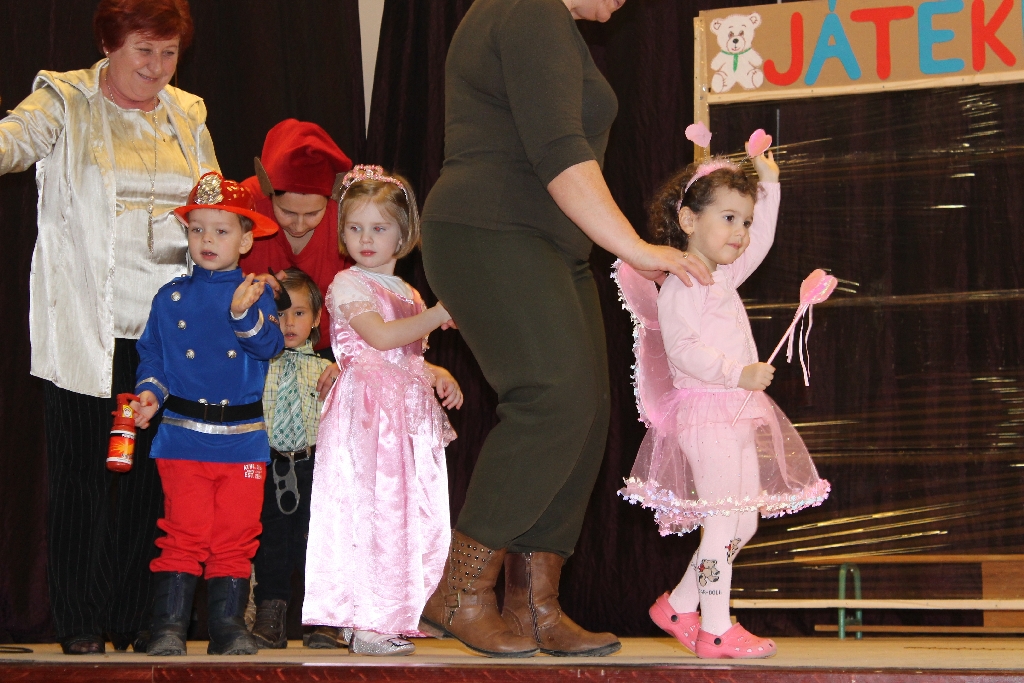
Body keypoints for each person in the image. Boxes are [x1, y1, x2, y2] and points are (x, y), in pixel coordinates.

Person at [419, 0, 711, 658]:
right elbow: (559, 154)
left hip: (548, 244)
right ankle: (460, 591)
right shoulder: (527, 9)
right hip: (493, 229)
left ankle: (534, 605)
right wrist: (637, 248)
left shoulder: (543, 19)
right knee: (553, 399)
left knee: (586, 409)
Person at [0, 0, 216, 655]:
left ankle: (136, 617)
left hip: (167, 333)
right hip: (86, 328)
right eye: (143, 50)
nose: (157, 66)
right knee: (82, 479)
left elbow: (212, 204)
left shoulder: (188, 114)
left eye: (169, 53)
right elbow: (13, 143)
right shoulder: (64, 100)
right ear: (109, 46)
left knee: (151, 480)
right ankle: (80, 622)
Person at [617, 146, 830, 659]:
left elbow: (764, 243)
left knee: (744, 520)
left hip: (734, 411)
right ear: (689, 221)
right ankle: (714, 628)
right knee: (721, 519)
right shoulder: (682, 283)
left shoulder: (723, 275)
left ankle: (679, 604)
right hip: (706, 413)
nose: (741, 232)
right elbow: (683, 350)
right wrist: (739, 373)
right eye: (729, 218)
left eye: (745, 221)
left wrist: (769, 184)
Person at [303, 165, 463, 656]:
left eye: (378, 228)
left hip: (403, 416)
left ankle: (396, 612)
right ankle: (364, 620)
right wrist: (439, 313)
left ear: (403, 233)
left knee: (404, 513)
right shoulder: (348, 284)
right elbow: (379, 337)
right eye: (355, 228)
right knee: (368, 509)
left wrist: (435, 371)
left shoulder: (407, 293)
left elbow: (405, 354)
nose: (366, 239)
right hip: (368, 415)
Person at [131, 172, 284, 656]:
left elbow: (270, 345)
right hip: (182, 437)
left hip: (243, 440)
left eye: (221, 231)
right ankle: (168, 628)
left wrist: (241, 315)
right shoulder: (169, 297)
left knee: (236, 537)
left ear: (246, 239)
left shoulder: (256, 294)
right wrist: (149, 394)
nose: (207, 240)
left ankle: (227, 627)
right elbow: (154, 358)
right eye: (197, 229)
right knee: (183, 533)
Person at [249, 269, 336, 650]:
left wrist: (344, 373)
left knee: (317, 541)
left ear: (316, 319)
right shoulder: (257, 365)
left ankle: (322, 619)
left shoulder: (328, 369)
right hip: (269, 464)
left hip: (315, 464)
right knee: (272, 541)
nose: (288, 323)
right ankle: (271, 612)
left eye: (299, 313)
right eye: (279, 314)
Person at [241, 119, 355, 360]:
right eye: (287, 212)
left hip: (331, 351)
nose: (299, 226)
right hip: (252, 349)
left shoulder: (348, 216)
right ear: (269, 193)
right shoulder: (245, 207)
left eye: (313, 214)